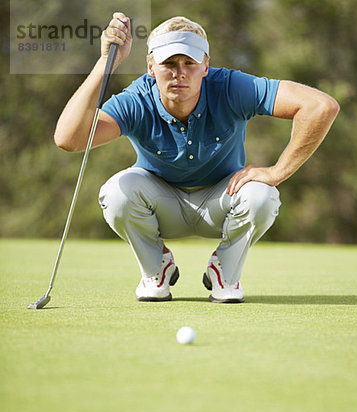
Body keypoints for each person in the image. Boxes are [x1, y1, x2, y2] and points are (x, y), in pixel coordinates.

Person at [54, 13, 339, 303]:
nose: (180, 73)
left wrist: (277, 172)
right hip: (160, 205)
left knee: (263, 195)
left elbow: (320, 106)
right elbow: (68, 139)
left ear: (205, 66)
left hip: (221, 201)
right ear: (151, 66)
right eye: (169, 63)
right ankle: (157, 269)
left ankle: (224, 273)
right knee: (117, 193)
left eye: (189, 62)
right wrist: (106, 63)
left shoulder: (230, 87)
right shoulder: (137, 99)